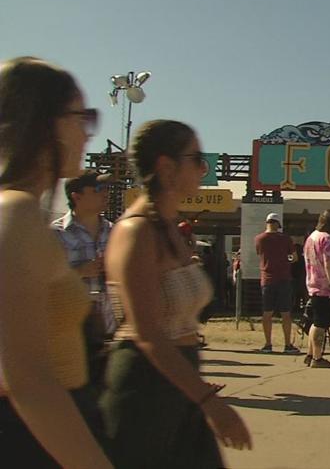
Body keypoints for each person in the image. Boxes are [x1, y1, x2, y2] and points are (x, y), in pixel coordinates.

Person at [101, 120, 251, 466]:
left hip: (180, 381)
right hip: (144, 387)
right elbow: (148, 334)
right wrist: (209, 403)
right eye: (196, 158)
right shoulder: (135, 231)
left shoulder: (169, 228)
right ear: (166, 166)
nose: (204, 168)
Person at [0, 57, 112, 468]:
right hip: (32, 439)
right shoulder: (16, 213)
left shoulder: (22, 213)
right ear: (41, 122)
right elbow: (29, 381)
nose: (86, 132)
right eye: (80, 117)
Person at [51, 170, 117, 388]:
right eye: (99, 189)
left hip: (110, 333)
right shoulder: (55, 234)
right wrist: (79, 272)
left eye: (107, 188)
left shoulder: (115, 232)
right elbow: (42, 282)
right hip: (71, 336)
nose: (106, 193)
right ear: (76, 196)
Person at [255, 213, 299, 354]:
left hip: (267, 279)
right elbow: (294, 258)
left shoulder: (259, 239)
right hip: (284, 278)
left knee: (267, 313)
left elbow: (259, 254)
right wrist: (286, 259)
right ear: (277, 224)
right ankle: (287, 345)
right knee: (286, 313)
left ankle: (268, 344)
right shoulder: (285, 239)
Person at [303, 209, 330, 368]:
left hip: (312, 284)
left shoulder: (311, 237)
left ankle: (310, 354)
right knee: (321, 323)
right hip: (324, 287)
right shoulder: (327, 239)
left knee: (314, 321)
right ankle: (317, 359)